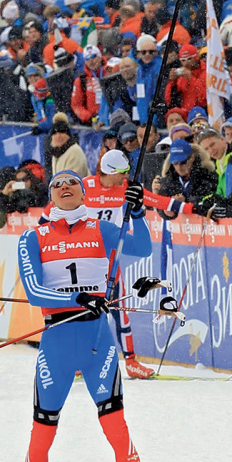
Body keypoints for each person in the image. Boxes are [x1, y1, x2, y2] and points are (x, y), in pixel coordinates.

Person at [15, 169, 153, 462]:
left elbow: (142, 248)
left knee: (117, 430)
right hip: (56, 344)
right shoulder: (33, 237)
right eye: (57, 184)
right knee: (40, 437)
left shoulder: (104, 230)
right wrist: (79, 299)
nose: (64, 187)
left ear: (82, 190)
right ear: (50, 195)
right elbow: (34, 291)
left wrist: (138, 213)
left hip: (98, 344)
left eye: (71, 182)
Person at [82, 149, 193, 378]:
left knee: (120, 312)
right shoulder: (84, 187)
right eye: (122, 173)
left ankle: (131, 362)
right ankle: (80, 360)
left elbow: (160, 201)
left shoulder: (127, 189)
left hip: (111, 260)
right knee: (86, 312)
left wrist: (194, 208)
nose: (125, 177)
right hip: (84, 260)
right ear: (108, 170)